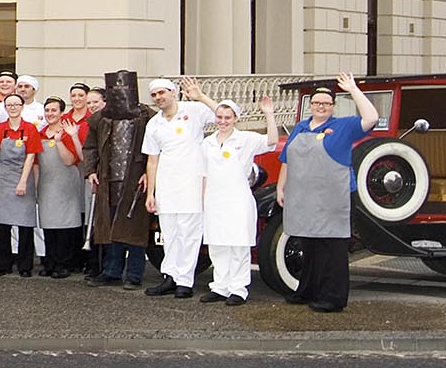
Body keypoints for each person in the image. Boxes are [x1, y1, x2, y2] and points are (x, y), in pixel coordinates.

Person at [277, 73, 379, 312]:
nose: (320, 107)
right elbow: (286, 159)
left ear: (333, 106)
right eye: (316, 103)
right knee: (308, 246)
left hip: (334, 198)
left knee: (331, 249)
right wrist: (282, 187)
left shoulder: (343, 126)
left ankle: (332, 298)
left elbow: (371, 117)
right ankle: (306, 291)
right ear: (310, 106)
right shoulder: (301, 127)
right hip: (304, 197)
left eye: (326, 103)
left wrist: (353, 89)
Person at [199, 96, 278, 304]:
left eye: (227, 117)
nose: (223, 121)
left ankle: (238, 289)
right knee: (217, 245)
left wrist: (269, 113)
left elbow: (271, 141)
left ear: (235, 119)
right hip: (214, 200)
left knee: (238, 245)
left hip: (237, 199)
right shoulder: (207, 143)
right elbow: (204, 174)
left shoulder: (246, 139)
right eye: (219, 117)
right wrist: (203, 202)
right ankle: (220, 287)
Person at [142, 76, 216, 298]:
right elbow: (152, 160)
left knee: (189, 233)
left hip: (192, 183)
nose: (158, 98)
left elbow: (225, 114)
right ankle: (170, 277)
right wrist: (150, 193)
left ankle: (185, 281)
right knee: (170, 233)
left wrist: (201, 96)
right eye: (154, 95)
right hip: (167, 185)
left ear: (173, 92)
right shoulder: (154, 124)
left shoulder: (193, 110)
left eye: (162, 93)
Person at [84, 76, 152, 288]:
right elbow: (90, 147)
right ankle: (111, 271)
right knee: (111, 227)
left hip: (136, 180)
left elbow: (156, 148)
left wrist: (150, 173)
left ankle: (134, 274)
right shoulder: (101, 118)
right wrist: (91, 170)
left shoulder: (147, 116)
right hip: (108, 179)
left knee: (134, 229)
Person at [0, 93, 40, 276]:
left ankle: (25, 266)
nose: (13, 107)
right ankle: (2, 265)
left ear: (22, 106)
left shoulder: (30, 129)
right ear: (5, 107)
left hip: (23, 177)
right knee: (1, 225)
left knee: (25, 225)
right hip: (2, 179)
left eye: (16, 104)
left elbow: (31, 156)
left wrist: (23, 181)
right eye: (9, 105)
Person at [36, 96, 84, 277]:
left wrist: (59, 142)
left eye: (53, 110)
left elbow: (70, 160)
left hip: (65, 184)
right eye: (47, 110)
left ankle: (63, 264)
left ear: (62, 112)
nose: (50, 114)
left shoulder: (68, 133)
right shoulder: (39, 133)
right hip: (47, 184)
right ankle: (49, 261)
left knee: (65, 224)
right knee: (48, 224)